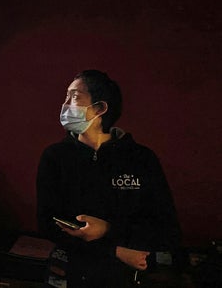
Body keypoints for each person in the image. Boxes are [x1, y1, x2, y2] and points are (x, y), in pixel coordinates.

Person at [36, 69, 181, 287]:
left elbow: (166, 231)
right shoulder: (56, 156)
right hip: (69, 275)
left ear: (100, 108)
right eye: (66, 97)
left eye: (74, 97)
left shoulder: (140, 158)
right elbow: (47, 224)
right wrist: (115, 250)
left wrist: (108, 229)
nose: (65, 105)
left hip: (124, 278)